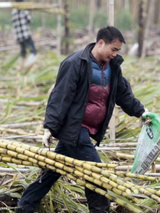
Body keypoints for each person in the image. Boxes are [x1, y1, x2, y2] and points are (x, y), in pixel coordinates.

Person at [15, 26, 148, 213]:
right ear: (101, 43)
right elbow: (61, 95)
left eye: (117, 50)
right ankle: (99, 210)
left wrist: (141, 112)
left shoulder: (113, 67)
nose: (115, 54)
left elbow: (123, 94)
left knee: (54, 168)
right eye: (114, 49)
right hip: (75, 129)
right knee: (96, 173)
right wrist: (50, 127)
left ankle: (24, 206)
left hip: (86, 130)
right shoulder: (75, 63)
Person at [11, 0, 37, 67]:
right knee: (33, 51)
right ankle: (28, 65)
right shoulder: (24, 11)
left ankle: (20, 66)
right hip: (25, 35)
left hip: (18, 36)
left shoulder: (13, 12)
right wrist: (31, 11)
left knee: (23, 52)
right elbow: (30, 20)